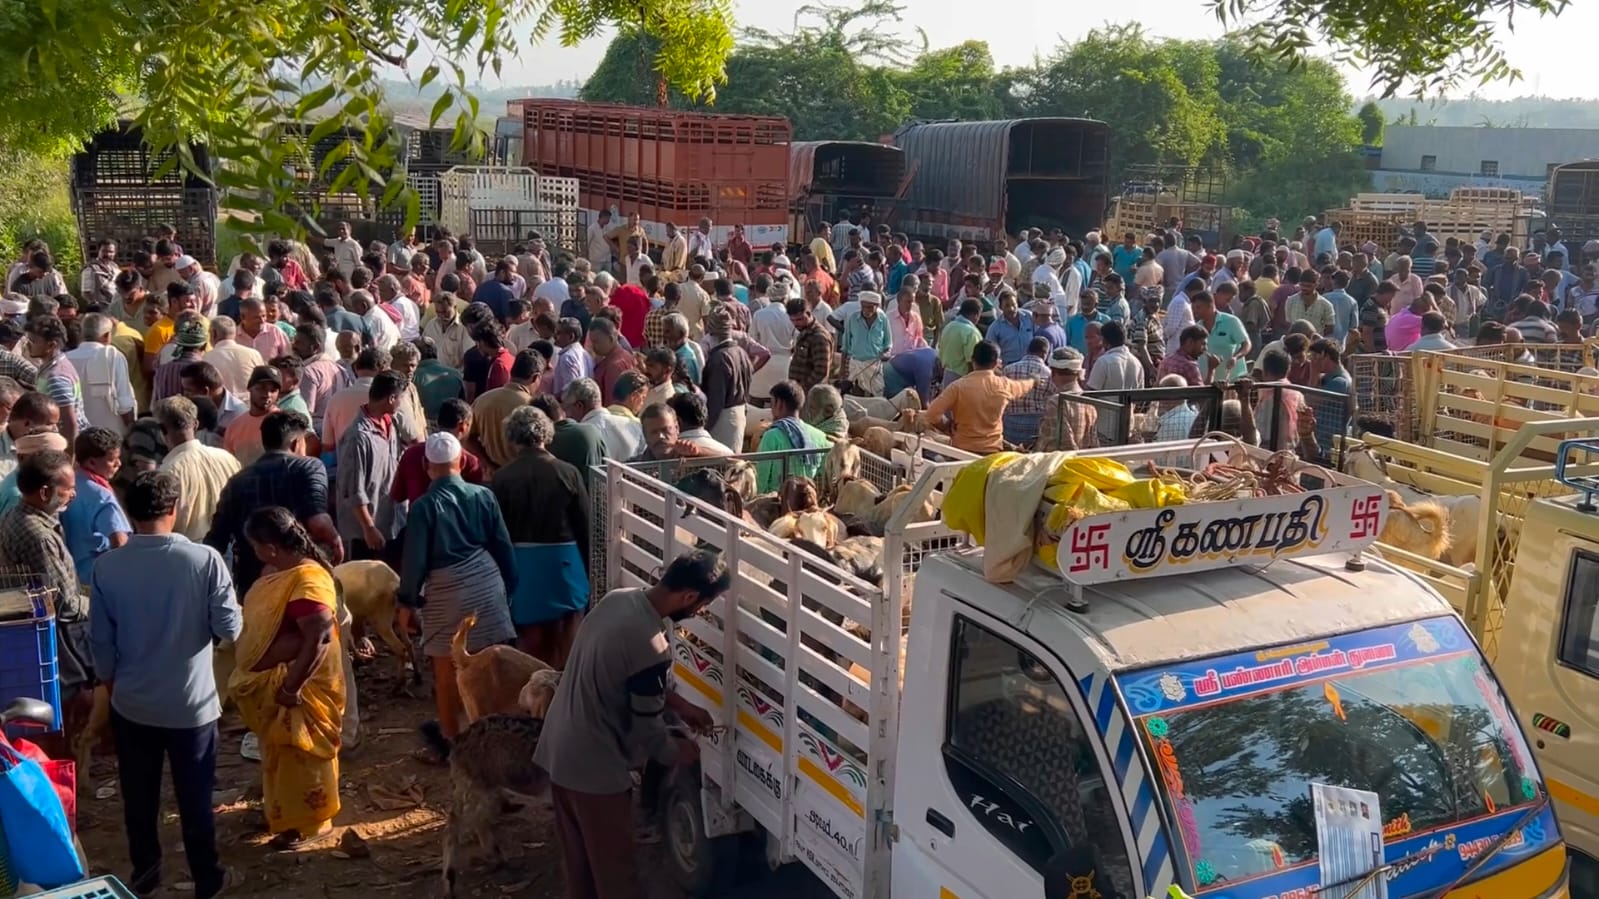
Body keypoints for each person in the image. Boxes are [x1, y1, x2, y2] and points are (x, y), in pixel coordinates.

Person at [535, 551, 728, 899]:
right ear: (689, 597)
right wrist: (679, 752)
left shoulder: (618, 600)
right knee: (616, 877)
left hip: (559, 749)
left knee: (580, 872)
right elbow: (648, 732)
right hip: (594, 769)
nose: (700, 612)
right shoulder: (652, 644)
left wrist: (681, 704)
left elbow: (624, 673)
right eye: (704, 605)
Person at [90, 470, 241, 899]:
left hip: (132, 704)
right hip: (192, 706)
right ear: (173, 510)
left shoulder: (108, 567)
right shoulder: (204, 560)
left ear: (128, 513)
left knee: (139, 799)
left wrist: (112, 684)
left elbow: (101, 642)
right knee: (195, 800)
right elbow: (229, 626)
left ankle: (145, 877)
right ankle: (207, 880)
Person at [226, 507, 345, 848]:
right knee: (281, 754)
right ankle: (285, 815)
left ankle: (310, 824)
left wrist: (292, 687)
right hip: (279, 685)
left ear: (271, 547)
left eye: (255, 546)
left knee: (302, 753)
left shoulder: (308, 579)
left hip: (302, 689)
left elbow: (320, 637)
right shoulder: (282, 572)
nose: (254, 552)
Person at [402, 432, 518, 757]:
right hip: (486, 582)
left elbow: (415, 561)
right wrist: (508, 586)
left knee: (446, 670)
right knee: (490, 665)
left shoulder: (424, 507)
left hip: (445, 591)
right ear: (462, 462)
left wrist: (408, 600)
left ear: (427, 466)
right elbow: (502, 546)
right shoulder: (483, 496)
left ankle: (452, 746)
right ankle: (495, 741)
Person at [493, 406, 592, 667]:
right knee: (569, 637)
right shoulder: (568, 472)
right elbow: (585, 525)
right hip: (565, 563)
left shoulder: (502, 478)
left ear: (513, 438)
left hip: (522, 566)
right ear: (546, 435)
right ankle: (568, 693)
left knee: (530, 644)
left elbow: (497, 532)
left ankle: (534, 698)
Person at [206, 410, 343, 592]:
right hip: (300, 579)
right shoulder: (309, 466)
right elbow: (318, 522)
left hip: (254, 583)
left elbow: (217, 541)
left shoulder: (237, 481)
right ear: (296, 443)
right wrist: (334, 540)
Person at [335, 371, 404, 563]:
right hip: (365, 531)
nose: (401, 403)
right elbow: (353, 488)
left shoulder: (391, 423)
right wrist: (368, 527)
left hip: (389, 519)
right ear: (391, 398)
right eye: (400, 399)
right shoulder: (358, 437)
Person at [926, 340, 1041, 454]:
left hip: (961, 451)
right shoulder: (1005, 385)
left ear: (972, 360)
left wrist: (946, 426)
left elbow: (931, 414)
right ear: (996, 363)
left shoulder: (958, 387)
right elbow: (1023, 386)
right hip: (992, 452)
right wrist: (1033, 380)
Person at [156, 397, 241, 541]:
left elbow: (162, 524)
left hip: (188, 553)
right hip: (228, 549)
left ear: (162, 430)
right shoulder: (228, 459)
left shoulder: (168, 472)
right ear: (195, 425)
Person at [63, 427, 131, 582]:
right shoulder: (101, 495)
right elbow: (120, 541)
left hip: (72, 573)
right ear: (92, 462)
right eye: (112, 460)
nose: (118, 464)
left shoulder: (68, 484)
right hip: (98, 576)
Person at [467, 349, 538, 469]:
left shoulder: (482, 400)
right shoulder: (533, 407)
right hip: (522, 475)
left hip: (490, 476)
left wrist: (487, 464)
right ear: (536, 377)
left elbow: (468, 437)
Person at [66, 312, 137, 434]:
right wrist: (132, 430)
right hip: (111, 435)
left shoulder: (66, 358)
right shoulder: (112, 356)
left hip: (78, 435)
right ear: (106, 335)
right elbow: (124, 403)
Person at [753, 381, 829, 492]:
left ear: (780, 404)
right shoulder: (819, 436)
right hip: (807, 499)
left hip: (776, 502)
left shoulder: (772, 436)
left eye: (772, 403)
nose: (771, 409)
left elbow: (761, 478)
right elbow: (823, 475)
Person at [28, 314, 88, 448]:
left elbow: (69, 423)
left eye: (33, 341)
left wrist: (69, 458)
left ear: (51, 345)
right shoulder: (50, 366)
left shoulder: (56, 377)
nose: (27, 344)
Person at [701, 307, 752, 453]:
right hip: (740, 414)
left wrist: (704, 428)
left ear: (710, 332)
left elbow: (716, 400)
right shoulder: (741, 353)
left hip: (722, 419)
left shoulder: (719, 359)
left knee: (721, 465)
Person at [1035, 347, 1098, 452]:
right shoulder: (1088, 402)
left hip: (1056, 463)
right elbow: (1093, 442)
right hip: (1081, 461)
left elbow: (1065, 444)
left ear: (1053, 373)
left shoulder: (1056, 402)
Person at [221, 366, 284, 466]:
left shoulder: (285, 424)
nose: (267, 394)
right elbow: (228, 464)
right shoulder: (234, 426)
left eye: (273, 390)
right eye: (262, 388)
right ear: (250, 388)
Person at [1087, 321, 1145, 392]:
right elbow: (1140, 398)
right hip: (1129, 403)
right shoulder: (1137, 363)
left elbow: (1090, 394)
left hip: (1105, 403)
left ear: (1104, 340)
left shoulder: (1103, 362)